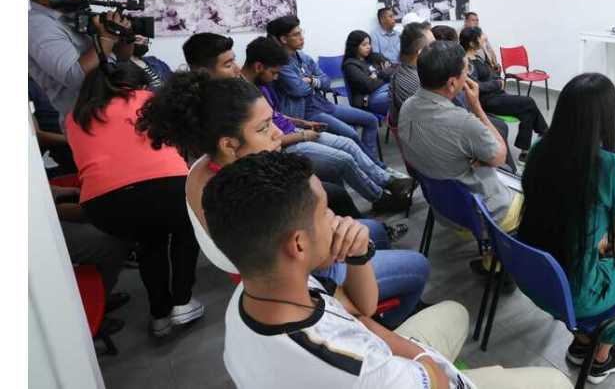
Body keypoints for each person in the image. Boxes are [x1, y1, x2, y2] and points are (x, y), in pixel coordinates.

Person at [203, 152, 573, 389]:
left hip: (387, 354)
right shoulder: (360, 373)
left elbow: (361, 313)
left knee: (455, 313)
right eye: (324, 212)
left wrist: (359, 254)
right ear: (298, 244)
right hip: (419, 375)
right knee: (555, 382)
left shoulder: (256, 291)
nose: (337, 219)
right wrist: (424, 359)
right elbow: (435, 381)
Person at [136, 71, 431, 329]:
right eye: (264, 128)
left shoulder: (202, 169)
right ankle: (385, 324)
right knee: (417, 266)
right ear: (228, 144)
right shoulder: (254, 200)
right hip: (310, 281)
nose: (278, 134)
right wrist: (358, 303)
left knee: (374, 230)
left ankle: (392, 296)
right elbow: (318, 267)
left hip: (287, 266)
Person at [518, 73, 615, 385]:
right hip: (573, 293)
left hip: (536, 279)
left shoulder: (539, 151)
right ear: (604, 118)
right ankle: (600, 357)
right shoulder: (610, 166)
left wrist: (596, 246)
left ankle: (581, 342)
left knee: (600, 263)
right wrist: (610, 250)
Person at [65, 62, 202, 338]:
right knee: (187, 230)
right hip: (165, 186)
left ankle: (159, 315)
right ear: (136, 85)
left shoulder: (74, 117)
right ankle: (183, 301)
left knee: (150, 242)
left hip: (104, 205)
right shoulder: (146, 99)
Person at [179, 32, 370, 219]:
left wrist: (300, 127)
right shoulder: (217, 113)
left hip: (265, 167)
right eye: (228, 65)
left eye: (234, 61)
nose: (237, 69)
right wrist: (300, 137)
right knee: (337, 176)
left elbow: (275, 122)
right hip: (260, 182)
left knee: (337, 172)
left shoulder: (239, 94)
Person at [242, 36, 413, 215]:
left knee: (348, 143)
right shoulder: (244, 98)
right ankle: (380, 198)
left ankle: (388, 181)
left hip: (296, 128)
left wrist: (303, 123)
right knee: (344, 158)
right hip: (285, 144)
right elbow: (263, 143)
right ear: (259, 67)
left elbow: (277, 114)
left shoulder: (262, 85)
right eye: (274, 73)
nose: (276, 78)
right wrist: (302, 134)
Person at [398, 41, 522, 280]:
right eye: (466, 70)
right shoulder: (463, 122)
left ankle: (492, 258)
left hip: (442, 205)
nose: (469, 74)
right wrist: (476, 106)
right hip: (480, 214)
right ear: (453, 83)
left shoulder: (407, 107)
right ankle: (500, 264)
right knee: (531, 195)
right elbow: (499, 155)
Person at [392, 24, 517, 173]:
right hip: (463, 177)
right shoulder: (460, 120)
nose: (438, 47)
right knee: (500, 143)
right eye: (433, 44)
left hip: (433, 172)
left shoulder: (410, 101)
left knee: (498, 127)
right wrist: (476, 106)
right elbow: (498, 156)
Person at [28, 0, 132, 128]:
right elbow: (75, 76)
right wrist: (107, 38)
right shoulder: (37, 26)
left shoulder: (70, 16)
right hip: (92, 124)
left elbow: (121, 58)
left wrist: (124, 36)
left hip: (115, 113)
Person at [267, 16, 383, 164]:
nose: (302, 38)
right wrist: (315, 82)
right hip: (308, 113)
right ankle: (376, 166)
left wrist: (311, 80)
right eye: (296, 34)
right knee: (351, 134)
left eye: (301, 32)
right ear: (283, 39)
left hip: (324, 104)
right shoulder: (282, 64)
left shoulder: (304, 57)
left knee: (371, 120)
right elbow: (298, 89)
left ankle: (371, 164)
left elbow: (327, 82)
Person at [460, 27, 548, 161]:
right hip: (487, 100)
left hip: (497, 95)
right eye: (481, 36)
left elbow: (492, 75)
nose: (484, 37)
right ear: (472, 43)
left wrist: (497, 78)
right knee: (528, 102)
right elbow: (475, 86)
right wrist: (498, 83)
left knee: (527, 110)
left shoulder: (478, 57)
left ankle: (527, 150)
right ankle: (543, 135)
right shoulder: (467, 62)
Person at [342, 30, 394, 115]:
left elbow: (393, 70)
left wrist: (377, 75)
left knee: (404, 90)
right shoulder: (350, 65)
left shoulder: (375, 57)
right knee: (399, 96)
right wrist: (384, 74)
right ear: (354, 46)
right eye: (364, 45)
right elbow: (368, 86)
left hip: (385, 89)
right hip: (367, 99)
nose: (368, 47)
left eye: (369, 43)